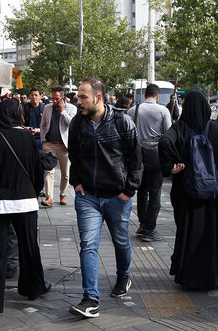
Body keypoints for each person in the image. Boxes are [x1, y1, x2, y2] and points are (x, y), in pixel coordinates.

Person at [67, 78, 142, 318]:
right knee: (88, 245)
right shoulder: (79, 122)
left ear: (98, 98)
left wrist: (128, 191)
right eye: (78, 97)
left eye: (82, 97)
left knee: (121, 240)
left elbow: (136, 160)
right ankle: (90, 299)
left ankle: (124, 275)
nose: (78, 101)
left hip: (117, 196)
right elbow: (74, 155)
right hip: (87, 195)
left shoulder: (122, 121)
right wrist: (76, 182)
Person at [0, 99, 50, 319]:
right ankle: (32, 287)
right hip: (25, 201)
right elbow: (36, 170)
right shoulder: (26, 136)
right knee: (29, 246)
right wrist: (34, 190)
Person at [158, 90, 218, 291]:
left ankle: (188, 275)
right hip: (212, 193)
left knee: (188, 231)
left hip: (187, 191)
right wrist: (213, 170)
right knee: (213, 232)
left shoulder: (179, 128)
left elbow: (164, 142)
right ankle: (211, 275)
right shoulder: (214, 130)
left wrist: (172, 167)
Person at [127, 84, 172, 242]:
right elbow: (168, 134)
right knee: (155, 193)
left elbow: (128, 133)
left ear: (145, 95)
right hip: (156, 156)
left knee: (142, 191)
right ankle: (149, 229)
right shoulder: (163, 111)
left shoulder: (133, 110)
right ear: (158, 96)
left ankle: (142, 224)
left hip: (138, 156)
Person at [39, 86, 77, 206]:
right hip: (49, 144)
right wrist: (43, 140)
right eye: (53, 98)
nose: (54, 101)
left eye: (57, 98)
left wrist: (63, 111)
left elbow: (72, 124)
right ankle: (49, 197)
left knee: (65, 173)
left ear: (63, 98)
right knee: (49, 171)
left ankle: (63, 195)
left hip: (64, 145)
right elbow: (43, 125)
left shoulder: (71, 108)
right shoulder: (47, 108)